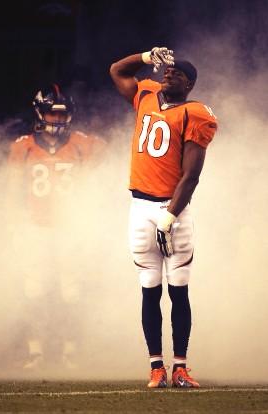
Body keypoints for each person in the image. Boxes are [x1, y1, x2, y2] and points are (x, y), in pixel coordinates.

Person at [110, 47, 217, 388]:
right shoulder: (146, 94)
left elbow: (191, 176)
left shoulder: (195, 113)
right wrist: (145, 57)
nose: (169, 74)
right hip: (140, 208)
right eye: (167, 70)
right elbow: (117, 70)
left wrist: (170, 215)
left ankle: (181, 368)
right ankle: (156, 366)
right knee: (149, 290)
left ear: (190, 85)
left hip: (174, 210)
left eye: (178, 73)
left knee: (179, 290)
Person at [7, 84, 106, 370]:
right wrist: (16, 224)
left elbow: (97, 185)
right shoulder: (22, 146)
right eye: (52, 114)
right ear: (39, 112)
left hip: (70, 228)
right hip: (36, 227)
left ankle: (70, 351)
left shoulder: (84, 144)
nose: (57, 120)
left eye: (62, 116)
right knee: (34, 290)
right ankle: (35, 351)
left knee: (71, 292)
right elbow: (12, 191)